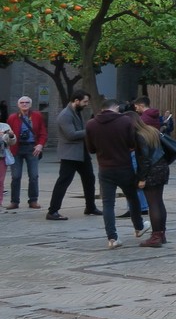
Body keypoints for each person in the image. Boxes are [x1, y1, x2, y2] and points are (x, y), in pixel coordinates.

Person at [85, 99, 147, 249]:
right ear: (116, 108)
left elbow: (91, 149)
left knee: (108, 204)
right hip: (124, 167)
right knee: (132, 198)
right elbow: (132, 144)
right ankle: (139, 227)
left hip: (104, 168)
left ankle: (112, 238)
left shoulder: (91, 124)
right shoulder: (125, 121)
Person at [45, 90, 98, 220]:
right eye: (85, 101)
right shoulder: (65, 115)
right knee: (63, 181)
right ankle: (52, 211)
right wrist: (90, 130)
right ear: (76, 101)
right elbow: (71, 135)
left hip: (81, 153)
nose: (86, 104)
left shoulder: (77, 112)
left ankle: (90, 207)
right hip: (70, 154)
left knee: (89, 179)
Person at [133, 121, 171, 247]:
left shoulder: (139, 136)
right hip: (162, 167)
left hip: (151, 170)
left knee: (153, 204)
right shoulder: (151, 131)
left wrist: (142, 178)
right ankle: (161, 234)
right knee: (159, 202)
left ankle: (155, 237)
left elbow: (144, 159)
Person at [7, 95, 48, 210]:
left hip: (32, 148)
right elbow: (7, 134)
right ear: (18, 105)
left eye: (26, 102)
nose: (24, 104)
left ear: (30, 104)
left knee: (34, 175)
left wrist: (40, 145)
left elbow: (43, 132)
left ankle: (33, 200)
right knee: (15, 176)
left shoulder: (37, 116)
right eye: (22, 103)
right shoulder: (12, 117)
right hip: (16, 148)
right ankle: (14, 201)